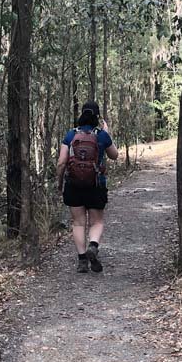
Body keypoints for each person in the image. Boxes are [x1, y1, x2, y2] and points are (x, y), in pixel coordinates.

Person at [56, 101, 118, 273]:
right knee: (96, 221)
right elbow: (114, 156)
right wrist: (106, 134)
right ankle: (93, 245)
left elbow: (61, 163)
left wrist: (59, 183)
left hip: (73, 185)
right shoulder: (101, 135)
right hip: (96, 185)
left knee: (78, 223)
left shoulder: (70, 135)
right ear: (97, 117)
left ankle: (82, 260)